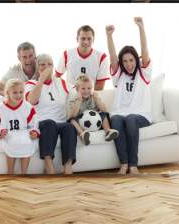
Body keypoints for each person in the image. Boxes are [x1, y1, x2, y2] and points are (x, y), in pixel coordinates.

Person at [106, 17, 153, 175]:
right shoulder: (119, 75)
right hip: (120, 113)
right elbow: (113, 57)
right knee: (118, 121)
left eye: (131, 60)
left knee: (130, 119)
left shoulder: (143, 72)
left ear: (136, 60)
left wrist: (141, 27)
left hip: (141, 115)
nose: (129, 64)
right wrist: (109, 36)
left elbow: (145, 52)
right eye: (125, 61)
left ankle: (133, 165)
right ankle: (124, 164)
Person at [25, 54, 77, 174]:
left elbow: (77, 90)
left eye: (49, 64)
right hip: (43, 122)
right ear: (37, 67)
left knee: (69, 127)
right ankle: (49, 166)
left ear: (53, 66)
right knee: (49, 124)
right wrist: (41, 80)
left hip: (61, 121)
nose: (46, 67)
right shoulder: (31, 84)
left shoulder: (60, 82)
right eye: (42, 64)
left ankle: (68, 168)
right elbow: (31, 100)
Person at [0, 79, 39, 174]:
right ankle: (10, 172)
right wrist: (1, 130)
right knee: (11, 142)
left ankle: (23, 173)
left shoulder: (27, 107)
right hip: (9, 132)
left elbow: (33, 123)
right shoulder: (1, 107)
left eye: (21, 92)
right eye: (15, 92)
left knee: (28, 143)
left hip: (24, 132)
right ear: (8, 92)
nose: (19, 95)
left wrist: (34, 132)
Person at [66, 74, 119, 145]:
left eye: (89, 88)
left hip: (95, 123)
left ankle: (108, 131)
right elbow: (73, 115)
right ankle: (83, 135)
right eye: (83, 88)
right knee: (72, 120)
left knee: (103, 114)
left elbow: (105, 110)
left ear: (92, 88)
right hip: (81, 124)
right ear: (77, 89)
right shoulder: (74, 100)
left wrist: (97, 99)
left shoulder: (93, 97)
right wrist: (78, 101)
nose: (86, 91)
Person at [55, 25, 110, 90]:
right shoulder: (67, 54)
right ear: (77, 39)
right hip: (71, 96)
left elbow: (100, 86)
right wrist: (66, 90)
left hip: (91, 97)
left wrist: (84, 91)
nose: (86, 42)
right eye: (83, 38)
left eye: (89, 39)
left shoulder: (102, 57)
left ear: (93, 40)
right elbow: (57, 77)